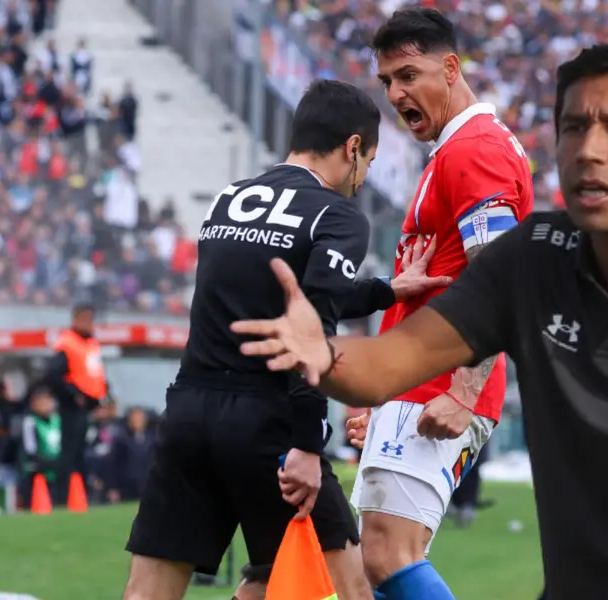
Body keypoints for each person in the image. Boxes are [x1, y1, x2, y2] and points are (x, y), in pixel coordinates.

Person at [233, 42, 608, 599]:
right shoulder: (533, 260)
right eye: (574, 126)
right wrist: (325, 357)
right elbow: (392, 361)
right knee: (382, 553)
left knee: (388, 552)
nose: (590, 148)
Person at [122, 78, 450, 600]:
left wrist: (386, 290)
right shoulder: (336, 213)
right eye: (368, 160)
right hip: (267, 423)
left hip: (190, 413)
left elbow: (278, 288)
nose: (362, 178)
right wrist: (305, 443)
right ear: (352, 148)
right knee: (352, 590)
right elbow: (312, 328)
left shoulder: (229, 199)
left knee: (157, 593)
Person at [349, 7, 538, 597]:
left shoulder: (474, 150)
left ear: (450, 68)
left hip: (442, 383)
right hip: (417, 382)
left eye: (408, 75)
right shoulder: (457, 149)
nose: (396, 93)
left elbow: (502, 275)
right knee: (370, 566)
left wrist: (462, 390)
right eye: (386, 82)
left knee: (385, 555)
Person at [42, 303, 116, 500]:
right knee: (70, 453)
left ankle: (81, 496)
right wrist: (74, 394)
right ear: (76, 319)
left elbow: (94, 374)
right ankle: (63, 497)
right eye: (86, 319)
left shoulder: (90, 343)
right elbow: (52, 375)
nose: (90, 323)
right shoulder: (67, 343)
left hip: (90, 407)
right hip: (73, 408)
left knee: (82, 453)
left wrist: (105, 396)